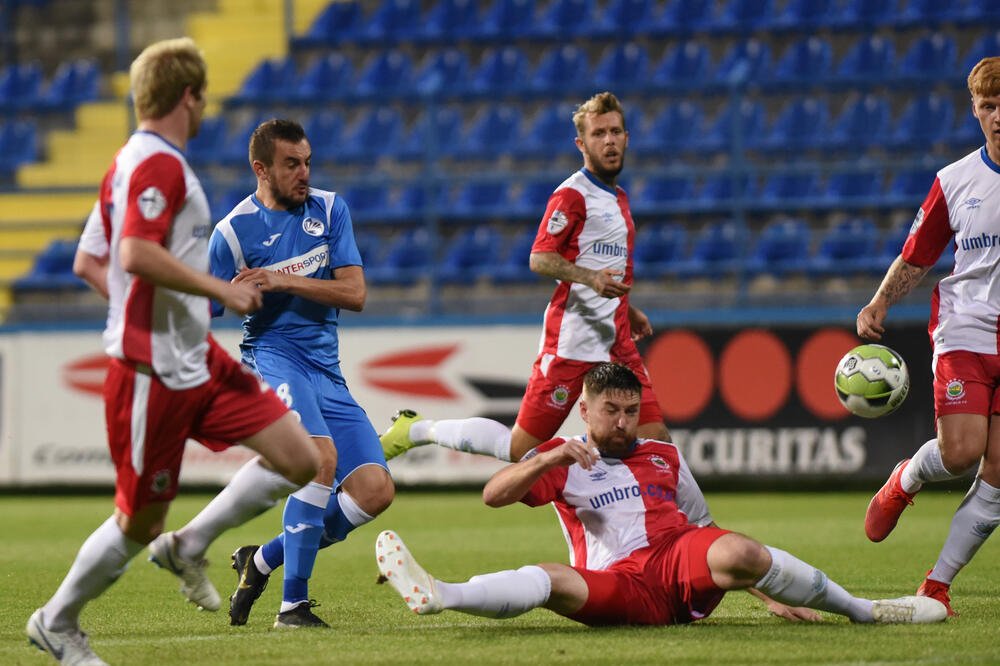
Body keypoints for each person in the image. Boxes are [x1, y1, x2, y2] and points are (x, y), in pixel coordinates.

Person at [26, 39, 319, 666]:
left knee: (300, 456)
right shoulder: (156, 164)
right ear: (190, 96)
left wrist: (146, 306)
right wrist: (216, 290)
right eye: (205, 93)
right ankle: (57, 621)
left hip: (198, 360)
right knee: (138, 524)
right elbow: (132, 254)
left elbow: (90, 260)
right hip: (152, 374)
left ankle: (192, 545)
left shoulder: (127, 163)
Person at [376, 363, 947, 627]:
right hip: (619, 585)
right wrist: (546, 455)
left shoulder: (664, 455)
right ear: (585, 410)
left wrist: (767, 595)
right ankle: (441, 594)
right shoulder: (565, 460)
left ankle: (865, 612)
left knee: (742, 551)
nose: (624, 422)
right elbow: (494, 495)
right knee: (551, 578)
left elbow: (704, 527)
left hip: (680, 566)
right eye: (611, 411)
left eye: (631, 411)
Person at [380, 92, 669, 465]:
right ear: (582, 144)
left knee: (655, 439)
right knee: (519, 449)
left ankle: (683, 523)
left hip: (616, 342)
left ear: (627, 137)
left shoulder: (619, 199)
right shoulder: (571, 195)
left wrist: (628, 310)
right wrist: (591, 280)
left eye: (615, 131)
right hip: (573, 342)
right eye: (599, 134)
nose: (609, 140)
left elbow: (601, 264)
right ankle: (417, 430)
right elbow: (540, 258)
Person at [209, 119, 394, 628]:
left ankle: (261, 560)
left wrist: (281, 280)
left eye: (308, 162)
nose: (304, 173)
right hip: (273, 357)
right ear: (260, 168)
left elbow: (355, 294)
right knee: (319, 459)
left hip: (325, 370)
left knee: (375, 490)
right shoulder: (231, 233)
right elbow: (201, 313)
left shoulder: (331, 210)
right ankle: (293, 608)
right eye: (293, 164)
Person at [857, 56, 1000, 617]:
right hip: (966, 327)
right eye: (988, 105)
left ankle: (935, 584)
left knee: (998, 474)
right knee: (963, 454)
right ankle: (907, 477)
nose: (998, 115)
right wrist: (881, 300)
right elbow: (917, 256)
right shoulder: (955, 181)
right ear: (974, 110)